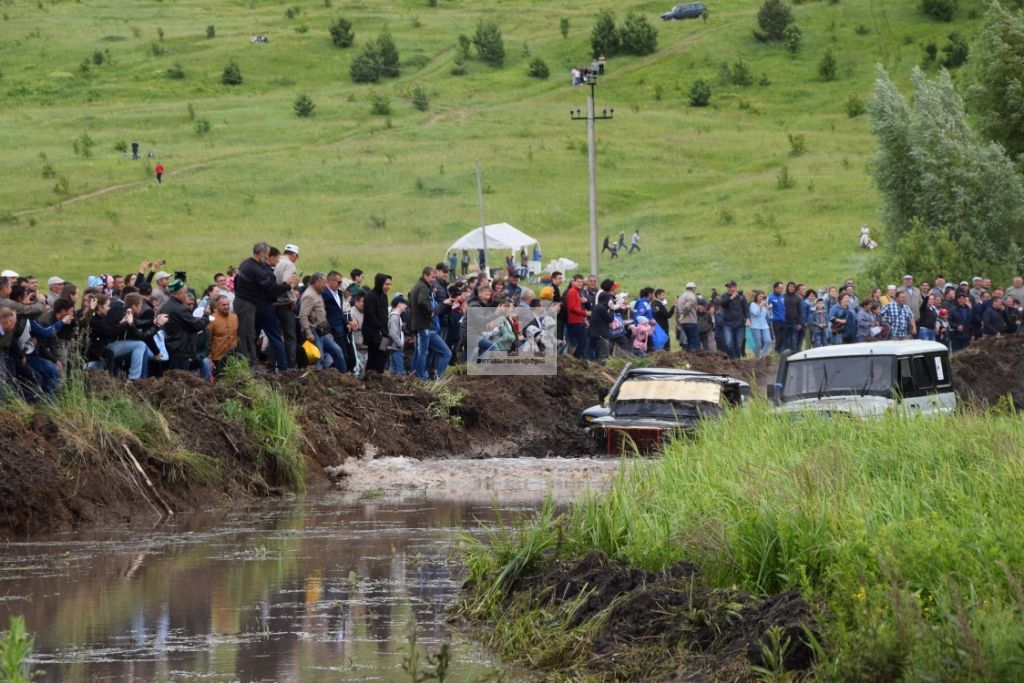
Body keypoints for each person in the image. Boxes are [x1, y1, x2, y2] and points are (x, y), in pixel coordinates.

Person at [234, 242, 295, 372]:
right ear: (262, 254)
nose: (268, 258)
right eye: (267, 255)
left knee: (251, 335)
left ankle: (253, 364)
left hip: (251, 304)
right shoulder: (256, 269)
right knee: (249, 335)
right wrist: (287, 284)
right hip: (252, 305)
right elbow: (272, 290)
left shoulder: (247, 263)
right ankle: (253, 366)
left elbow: (236, 282)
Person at [410, 267, 452, 380]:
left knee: (422, 351)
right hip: (424, 325)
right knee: (422, 352)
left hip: (424, 325)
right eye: (432, 277)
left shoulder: (418, 286)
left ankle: (418, 374)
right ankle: (422, 376)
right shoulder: (423, 287)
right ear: (425, 275)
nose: (433, 280)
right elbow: (422, 302)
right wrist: (430, 313)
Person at [299, 273, 346, 373]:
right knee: (318, 357)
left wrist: (326, 331)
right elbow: (303, 315)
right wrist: (308, 332)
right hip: (313, 331)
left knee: (337, 350)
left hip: (321, 330)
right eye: (324, 283)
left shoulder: (318, 293)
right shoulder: (309, 295)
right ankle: (318, 380)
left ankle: (344, 374)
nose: (325, 285)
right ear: (317, 282)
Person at [274, 244, 301, 370]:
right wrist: (293, 300)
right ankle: (291, 366)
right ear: (294, 255)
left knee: (274, 334)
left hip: (272, 303)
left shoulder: (276, 262)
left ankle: (272, 364)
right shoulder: (289, 265)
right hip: (284, 304)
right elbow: (287, 284)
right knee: (290, 336)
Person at [362, 274, 392, 375]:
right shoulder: (370, 296)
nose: (388, 287)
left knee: (383, 355)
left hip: (383, 333)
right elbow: (371, 316)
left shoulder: (384, 297)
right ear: (380, 284)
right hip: (373, 333)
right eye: (386, 284)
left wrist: (385, 331)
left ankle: (378, 376)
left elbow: (384, 315)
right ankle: (370, 377)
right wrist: (380, 329)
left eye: (390, 284)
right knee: (374, 356)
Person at [208, 295, 239, 375]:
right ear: (217, 306)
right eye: (223, 305)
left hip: (233, 357)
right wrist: (209, 359)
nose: (226, 307)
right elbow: (207, 341)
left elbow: (237, 336)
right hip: (218, 358)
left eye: (228, 304)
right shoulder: (212, 320)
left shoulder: (234, 317)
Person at [718, 280, 748, 359]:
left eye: (731, 287)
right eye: (728, 287)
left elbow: (746, 308)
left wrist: (748, 318)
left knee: (738, 344)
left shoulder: (741, 297)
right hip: (727, 324)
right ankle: (734, 359)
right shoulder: (725, 296)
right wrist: (731, 298)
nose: (729, 288)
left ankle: (737, 360)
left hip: (740, 324)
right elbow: (722, 304)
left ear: (735, 287)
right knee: (728, 343)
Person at [564, 274, 588, 358]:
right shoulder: (572, 292)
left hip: (578, 321)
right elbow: (572, 307)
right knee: (582, 343)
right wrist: (584, 313)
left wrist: (583, 318)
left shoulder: (577, 292)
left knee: (581, 343)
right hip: (574, 322)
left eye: (581, 282)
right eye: (578, 282)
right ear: (573, 282)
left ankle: (574, 359)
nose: (580, 284)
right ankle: (574, 359)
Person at [675, 282, 699, 352]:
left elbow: (676, 310)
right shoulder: (691, 296)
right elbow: (688, 306)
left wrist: (678, 320)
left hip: (683, 323)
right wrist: (683, 314)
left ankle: (688, 356)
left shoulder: (681, 296)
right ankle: (694, 357)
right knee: (694, 340)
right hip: (691, 320)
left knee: (689, 340)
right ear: (693, 288)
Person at [748, 292, 772, 359]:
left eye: (763, 297)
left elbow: (770, 316)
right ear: (756, 297)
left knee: (768, 341)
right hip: (755, 326)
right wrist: (761, 305)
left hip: (764, 325)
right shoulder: (753, 304)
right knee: (758, 344)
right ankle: (757, 358)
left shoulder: (765, 305)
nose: (761, 298)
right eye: (760, 296)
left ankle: (763, 356)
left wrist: (769, 308)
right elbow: (755, 313)